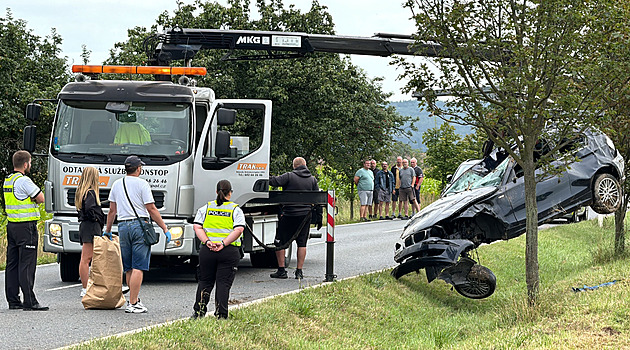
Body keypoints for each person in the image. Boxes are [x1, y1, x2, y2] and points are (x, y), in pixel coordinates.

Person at [104, 155, 170, 313]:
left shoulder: (117, 184)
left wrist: (107, 230)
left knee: (128, 267)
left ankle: (132, 300)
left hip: (123, 226)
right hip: (140, 225)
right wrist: (165, 228)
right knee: (139, 266)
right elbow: (151, 208)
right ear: (138, 168)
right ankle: (133, 303)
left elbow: (112, 211)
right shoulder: (142, 184)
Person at [191, 180, 245, 319]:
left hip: (207, 251)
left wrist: (207, 241)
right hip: (228, 250)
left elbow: (197, 226)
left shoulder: (206, 208)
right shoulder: (235, 210)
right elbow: (238, 230)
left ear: (216, 192)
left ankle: (198, 313)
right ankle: (221, 315)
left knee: (204, 282)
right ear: (230, 193)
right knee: (223, 283)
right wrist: (223, 243)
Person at [3, 150, 48, 311]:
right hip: (26, 227)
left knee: (12, 264)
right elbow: (41, 198)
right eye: (29, 163)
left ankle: (13, 300)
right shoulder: (24, 181)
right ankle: (30, 301)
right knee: (27, 264)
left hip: (12, 225)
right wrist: (33, 198)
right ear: (25, 164)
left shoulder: (8, 180)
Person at [269, 157, 319, 279]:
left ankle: (281, 270)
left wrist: (265, 174)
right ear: (305, 165)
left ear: (294, 166)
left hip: (289, 214)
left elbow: (274, 182)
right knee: (302, 243)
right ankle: (299, 271)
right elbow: (317, 198)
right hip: (305, 216)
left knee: (280, 242)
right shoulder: (312, 180)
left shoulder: (289, 176)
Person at [75, 166, 105, 297]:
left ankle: (87, 286)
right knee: (87, 258)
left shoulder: (81, 192)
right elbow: (90, 209)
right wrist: (97, 218)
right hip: (91, 227)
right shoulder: (91, 193)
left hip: (85, 226)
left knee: (87, 258)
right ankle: (86, 287)